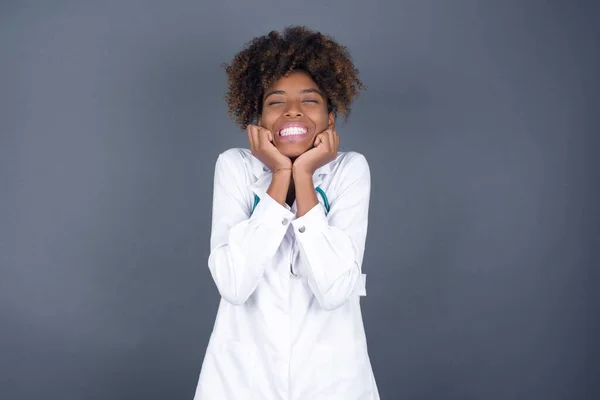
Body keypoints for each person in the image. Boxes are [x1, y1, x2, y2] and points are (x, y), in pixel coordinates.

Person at [193, 26, 380, 400]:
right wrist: (280, 174)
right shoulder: (235, 168)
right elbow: (233, 285)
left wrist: (305, 174)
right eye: (275, 101)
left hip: (333, 381)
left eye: (310, 100)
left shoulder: (350, 170)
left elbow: (333, 290)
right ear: (259, 120)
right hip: (241, 381)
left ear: (330, 118)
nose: (292, 109)